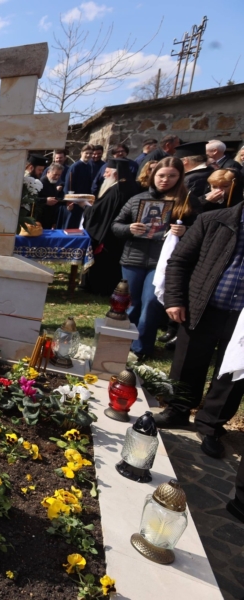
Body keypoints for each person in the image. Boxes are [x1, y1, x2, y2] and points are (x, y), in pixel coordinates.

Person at [157, 200, 244, 464]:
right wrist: (174, 299)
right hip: (203, 308)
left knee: (232, 374)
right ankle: (178, 410)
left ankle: (210, 426)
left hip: (241, 319)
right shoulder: (212, 220)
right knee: (188, 362)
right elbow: (179, 261)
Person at [111, 157, 196, 360]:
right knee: (129, 303)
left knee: (151, 303)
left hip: (164, 262)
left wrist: (186, 230)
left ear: (180, 177)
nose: (165, 180)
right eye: (161, 175)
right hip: (133, 258)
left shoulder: (187, 202)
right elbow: (116, 225)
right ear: (152, 175)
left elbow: (201, 230)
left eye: (172, 176)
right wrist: (129, 228)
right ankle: (119, 343)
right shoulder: (137, 199)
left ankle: (141, 348)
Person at [83, 158, 138, 295]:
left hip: (108, 235)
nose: (104, 175)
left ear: (116, 174)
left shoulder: (114, 190)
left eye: (107, 172)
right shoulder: (129, 188)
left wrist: (85, 207)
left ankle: (99, 288)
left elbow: (99, 212)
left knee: (105, 263)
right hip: (119, 234)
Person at [59, 144, 95, 229]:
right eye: (86, 153)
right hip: (74, 202)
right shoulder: (75, 166)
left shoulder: (89, 166)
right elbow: (69, 185)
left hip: (83, 201)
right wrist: (70, 201)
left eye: (90, 153)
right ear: (81, 153)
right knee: (70, 225)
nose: (88, 155)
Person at [37, 163, 64, 230]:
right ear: (48, 172)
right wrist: (45, 200)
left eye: (59, 175)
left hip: (49, 219)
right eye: (55, 174)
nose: (57, 177)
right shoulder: (40, 183)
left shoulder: (53, 182)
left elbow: (55, 200)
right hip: (39, 219)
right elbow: (33, 200)